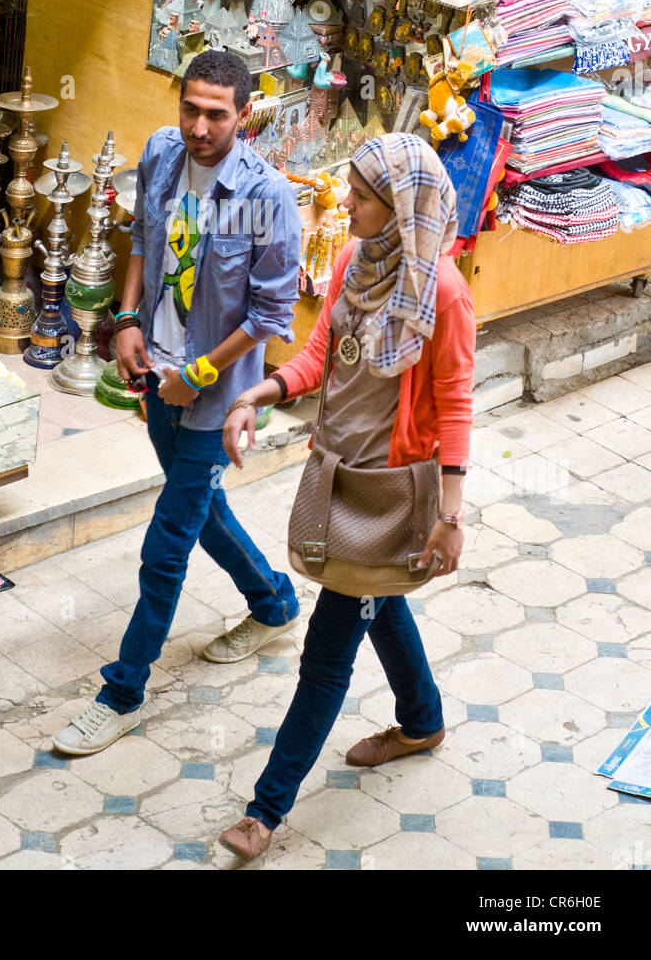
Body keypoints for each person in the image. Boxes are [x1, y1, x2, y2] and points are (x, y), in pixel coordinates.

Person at [216, 132, 476, 861]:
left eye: (361, 196)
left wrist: (449, 519)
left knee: (329, 649)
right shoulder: (352, 266)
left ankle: (264, 812)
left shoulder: (444, 295)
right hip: (336, 478)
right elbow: (320, 355)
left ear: (399, 207)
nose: (347, 204)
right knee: (377, 601)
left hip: (391, 498)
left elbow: (454, 404)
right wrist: (260, 394)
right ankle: (421, 720)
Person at [52, 50, 303, 757]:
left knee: (167, 543)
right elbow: (140, 241)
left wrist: (198, 373)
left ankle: (122, 692)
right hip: (152, 376)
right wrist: (126, 321)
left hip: (210, 392)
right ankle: (273, 602)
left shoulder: (268, 198)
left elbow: (270, 313)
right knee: (199, 504)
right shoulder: (162, 154)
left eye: (215, 114)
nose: (197, 126)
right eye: (189, 108)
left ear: (244, 115)